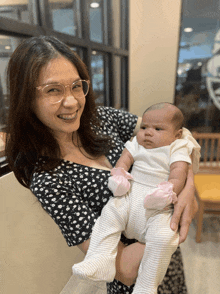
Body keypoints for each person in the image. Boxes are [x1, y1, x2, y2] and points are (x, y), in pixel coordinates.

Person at [5, 36, 198, 294]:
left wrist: (187, 189)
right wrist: (165, 234)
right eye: (53, 90)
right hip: (141, 274)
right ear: (26, 98)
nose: (72, 102)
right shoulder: (48, 179)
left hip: (167, 260)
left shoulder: (101, 118)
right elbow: (125, 269)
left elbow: (178, 135)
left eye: (76, 86)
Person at [72, 103, 201, 293]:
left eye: (157, 129)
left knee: (164, 236)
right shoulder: (136, 143)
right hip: (130, 196)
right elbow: (125, 159)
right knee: (109, 214)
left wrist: (175, 187)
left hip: (158, 203)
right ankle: (99, 258)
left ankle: (147, 285)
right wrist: (120, 173)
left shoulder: (177, 146)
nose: (148, 132)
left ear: (176, 134)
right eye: (144, 127)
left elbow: (178, 171)